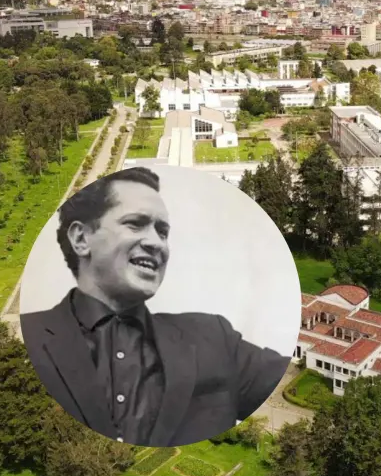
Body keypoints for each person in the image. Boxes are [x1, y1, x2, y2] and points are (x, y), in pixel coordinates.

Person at [20, 167, 290, 447]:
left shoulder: (213, 337)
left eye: (162, 231)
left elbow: (280, 382)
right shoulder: (30, 339)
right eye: (135, 223)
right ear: (81, 238)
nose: (156, 243)